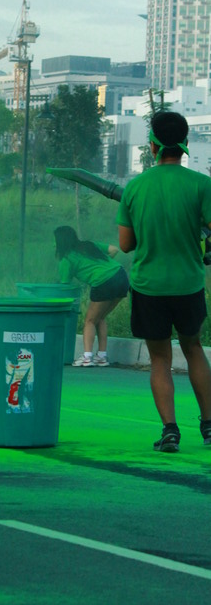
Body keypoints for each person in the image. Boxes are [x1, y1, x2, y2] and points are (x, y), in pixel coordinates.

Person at [117, 110, 211, 453]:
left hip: (149, 287)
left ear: (153, 144)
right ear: (184, 144)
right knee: (194, 347)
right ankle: (209, 426)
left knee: (160, 359)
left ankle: (170, 430)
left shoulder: (135, 187)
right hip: (188, 284)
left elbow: (126, 244)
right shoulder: (202, 185)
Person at [54, 225, 129, 367]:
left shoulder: (66, 259)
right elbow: (114, 250)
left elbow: (64, 285)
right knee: (100, 317)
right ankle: (101, 356)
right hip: (121, 276)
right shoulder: (89, 245)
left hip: (103, 282)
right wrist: (101, 266)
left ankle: (87, 357)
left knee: (89, 320)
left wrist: (98, 273)